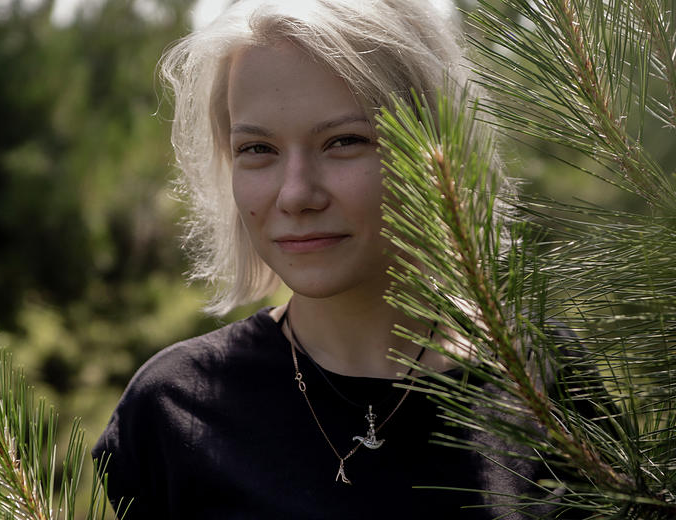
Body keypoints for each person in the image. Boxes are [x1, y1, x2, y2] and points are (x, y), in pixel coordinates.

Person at [92, 0, 552, 518]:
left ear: (434, 149)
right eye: (257, 149)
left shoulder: (540, 379)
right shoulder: (175, 410)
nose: (295, 195)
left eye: (343, 141)